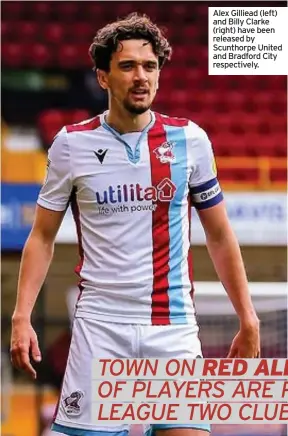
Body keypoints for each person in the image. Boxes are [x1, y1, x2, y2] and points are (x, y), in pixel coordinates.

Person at [10, 12, 260, 436]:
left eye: (150, 66)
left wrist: (248, 317)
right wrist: (21, 316)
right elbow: (43, 236)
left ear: (160, 74)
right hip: (100, 328)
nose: (140, 76)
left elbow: (219, 235)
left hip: (173, 327)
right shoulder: (72, 145)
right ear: (104, 77)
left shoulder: (190, 141)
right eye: (127, 66)